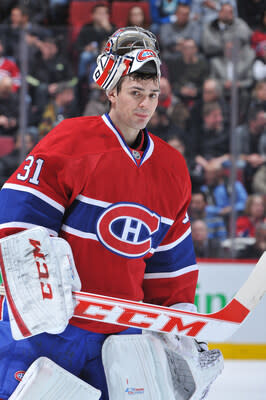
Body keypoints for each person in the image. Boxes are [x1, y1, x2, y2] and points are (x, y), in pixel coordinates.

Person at [0, 26, 223, 399]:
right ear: (112, 91)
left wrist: (174, 316)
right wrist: (41, 280)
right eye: (136, 93)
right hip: (50, 326)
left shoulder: (171, 168)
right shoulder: (71, 140)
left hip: (119, 334)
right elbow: (19, 220)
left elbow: (170, 262)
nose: (145, 105)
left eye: (152, 95)